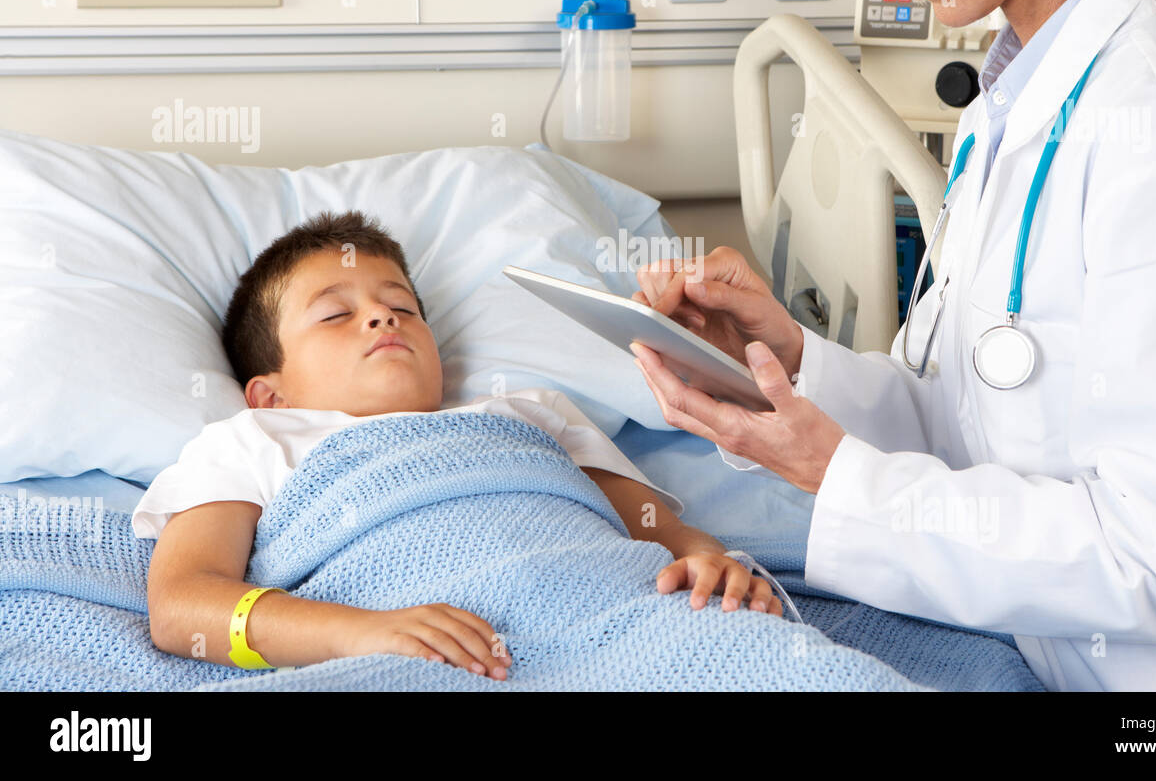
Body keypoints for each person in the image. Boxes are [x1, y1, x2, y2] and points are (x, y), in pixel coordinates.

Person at [629, 0, 1156, 691]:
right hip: (1043, 653)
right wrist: (789, 366)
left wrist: (842, 480)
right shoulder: (1013, 106)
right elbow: (973, 422)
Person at [134, 210, 782, 681]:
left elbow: (660, 532)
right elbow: (183, 604)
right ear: (270, 395)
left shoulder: (528, 413)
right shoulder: (253, 441)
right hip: (410, 659)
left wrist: (709, 563)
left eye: (402, 307)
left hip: (623, 625)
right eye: (336, 314)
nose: (382, 316)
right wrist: (361, 634)